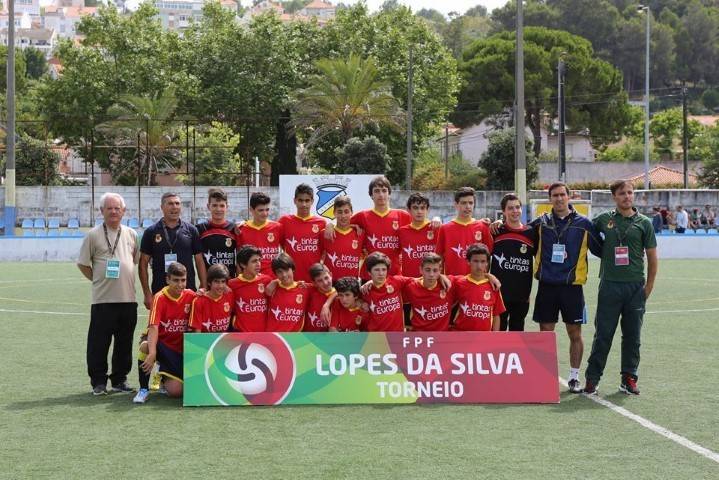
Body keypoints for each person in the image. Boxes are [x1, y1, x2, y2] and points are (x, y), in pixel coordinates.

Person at [584, 180, 658, 396]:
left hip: (635, 287)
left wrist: (648, 288)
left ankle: (628, 378)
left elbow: (653, 259)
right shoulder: (604, 219)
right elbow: (584, 230)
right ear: (614, 197)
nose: (627, 196)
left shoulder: (644, 223)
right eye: (622, 193)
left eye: (630, 192)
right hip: (609, 286)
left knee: (633, 337)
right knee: (603, 334)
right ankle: (592, 379)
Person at [531, 182, 603, 393]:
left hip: (572, 288)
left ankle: (573, 377)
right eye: (555, 195)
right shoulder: (541, 223)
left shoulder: (584, 224)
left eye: (563, 195)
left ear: (569, 197)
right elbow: (520, 235)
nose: (559, 198)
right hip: (546, 286)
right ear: (550, 199)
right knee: (545, 332)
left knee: (574, 332)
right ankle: (545, 376)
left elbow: (602, 250)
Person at [77, 192, 140, 396]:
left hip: (128, 300)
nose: (113, 211)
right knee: (99, 343)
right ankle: (98, 382)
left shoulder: (131, 234)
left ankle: (120, 380)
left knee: (124, 342)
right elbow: (83, 264)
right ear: (101, 211)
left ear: (123, 211)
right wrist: (98, 279)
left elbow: (134, 261)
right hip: (103, 300)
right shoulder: (93, 235)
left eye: (117, 208)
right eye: (109, 208)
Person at [326, 176, 411, 280]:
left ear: (389, 194)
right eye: (376, 191)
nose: (381, 194)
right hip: (369, 275)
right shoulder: (363, 216)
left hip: (394, 275)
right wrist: (330, 225)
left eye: (384, 191)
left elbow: (420, 227)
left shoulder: (403, 215)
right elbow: (342, 222)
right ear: (371, 195)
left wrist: (436, 219)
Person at [134, 262, 196, 404]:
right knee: (145, 346)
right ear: (168, 279)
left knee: (176, 392)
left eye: (183, 280)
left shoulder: (191, 296)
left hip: (180, 350)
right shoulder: (159, 297)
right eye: (175, 280)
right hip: (162, 345)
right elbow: (154, 327)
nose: (180, 284)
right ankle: (143, 389)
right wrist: (152, 353)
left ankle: (161, 375)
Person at [139, 192, 206, 310]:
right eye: (170, 203)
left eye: (177, 203)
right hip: (160, 292)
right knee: (161, 327)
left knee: (187, 327)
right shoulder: (151, 232)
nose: (174, 207)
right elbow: (143, 263)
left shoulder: (191, 230)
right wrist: (147, 293)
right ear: (162, 207)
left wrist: (203, 285)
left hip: (187, 291)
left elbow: (199, 260)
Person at [491, 193, 536, 332]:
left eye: (517, 207)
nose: (515, 211)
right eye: (510, 208)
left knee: (517, 333)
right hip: (499, 295)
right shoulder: (496, 231)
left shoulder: (531, 233)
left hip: (521, 295)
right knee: (498, 334)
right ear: (503, 211)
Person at [436, 186, 493, 276]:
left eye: (471, 203)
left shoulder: (483, 227)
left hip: (476, 282)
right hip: (453, 282)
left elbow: (488, 256)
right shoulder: (445, 229)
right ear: (456, 204)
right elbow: (439, 258)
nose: (468, 206)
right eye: (463, 203)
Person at [450, 244, 505, 331]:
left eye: (483, 261)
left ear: (487, 263)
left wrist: (495, 337)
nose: (479, 266)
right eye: (475, 261)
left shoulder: (494, 285)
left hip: (483, 338)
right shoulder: (459, 282)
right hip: (461, 334)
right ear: (468, 261)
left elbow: (496, 315)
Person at [279, 184, 327, 282]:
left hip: (315, 279)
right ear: (294, 201)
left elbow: (323, 251)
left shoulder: (321, 223)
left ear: (312, 201)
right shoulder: (284, 221)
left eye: (307, 200)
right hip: (292, 280)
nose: (304, 204)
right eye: (300, 200)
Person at [402, 253, 454, 331]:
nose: (431, 274)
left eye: (435, 270)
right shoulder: (411, 287)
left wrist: (442, 276)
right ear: (421, 270)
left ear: (440, 270)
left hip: (442, 337)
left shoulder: (449, 284)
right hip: (419, 336)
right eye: (427, 270)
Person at [236, 192, 284, 277]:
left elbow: (286, 253)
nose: (265, 213)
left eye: (267, 209)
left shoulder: (277, 227)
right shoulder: (241, 229)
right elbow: (239, 260)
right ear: (251, 210)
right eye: (261, 210)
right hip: (251, 281)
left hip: (273, 281)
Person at [228, 245, 272, 332]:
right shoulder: (232, 284)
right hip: (241, 334)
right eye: (254, 261)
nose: (258, 264)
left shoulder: (267, 280)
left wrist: (298, 284)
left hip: (263, 335)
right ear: (243, 264)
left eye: (259, 260)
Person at [197, 188, 238, 278]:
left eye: (222, 205)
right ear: (208, 206)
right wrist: (204, 284)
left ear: (227, 206)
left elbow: (239, 259)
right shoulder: (200, 229)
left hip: (229, 283)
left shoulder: (234, 229)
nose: (218, 209)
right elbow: (199, 260)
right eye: (215, 205)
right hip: (210, 284)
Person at [322, 195, 364, 280]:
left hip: (351, 286)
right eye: (340, 212)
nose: (343, 215)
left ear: (351, 212)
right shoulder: (325, 234)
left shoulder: (360, 233)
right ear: (334, 213)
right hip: (330, 285)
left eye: (346, 211)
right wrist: (329, 225)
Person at [398, 192, 439, 277]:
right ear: (409, 210)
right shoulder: (402, 231)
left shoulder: (436, 228)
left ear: (427, 210)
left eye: (422, 208)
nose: (419, 211)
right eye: (415, 208)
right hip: (409, 282)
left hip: (432, 281)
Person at [265, 253, 308, 332]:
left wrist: (326, 305)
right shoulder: (272, 289)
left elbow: (332, 291)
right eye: (279, 272)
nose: (284, 275)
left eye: (286, 270)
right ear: (275, 274)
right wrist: (275, 282)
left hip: (294, 340)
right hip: (272, 338)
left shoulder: (304, 288)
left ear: (293, 269)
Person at [189, 264, 234, 333]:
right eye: (216, 281)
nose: (220, 286)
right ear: (209, 282)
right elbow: (197, 334)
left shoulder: (230, 295)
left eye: (223, 281)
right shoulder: (199, 301)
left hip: (224, 340)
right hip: (205, 341)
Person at [304, 263, 337, 332]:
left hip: (327, 338)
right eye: (319, 281)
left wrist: (327, 304)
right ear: (314, 283)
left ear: (331, 275)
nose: (325, 283)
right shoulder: (310, 290)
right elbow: (291, 284)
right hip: (308, 337)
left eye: (326, 278)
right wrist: (276, 282)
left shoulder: (341, 295)